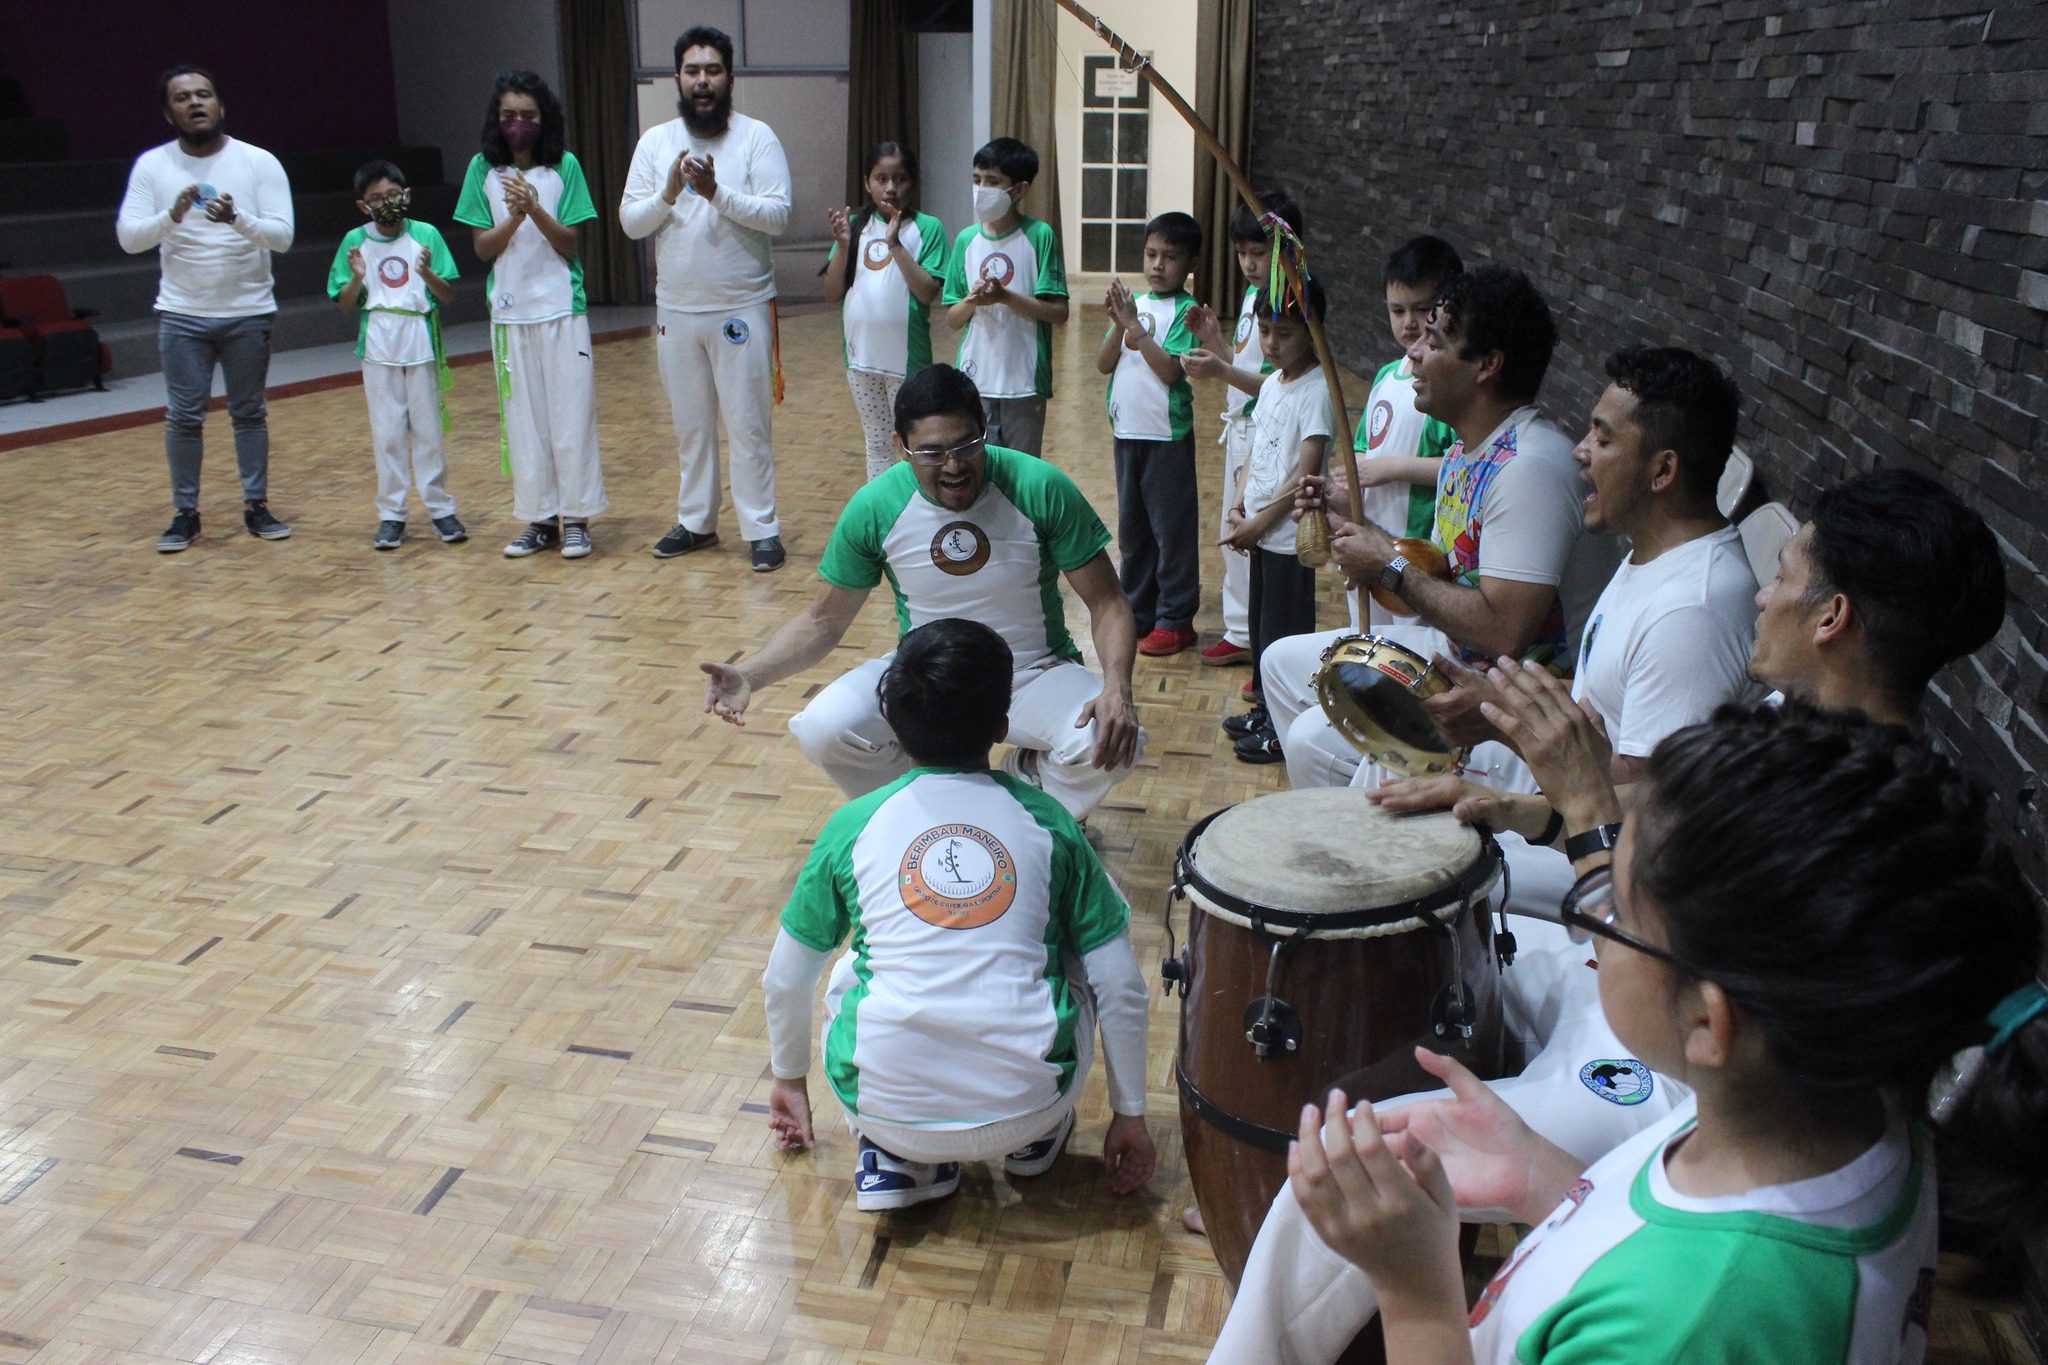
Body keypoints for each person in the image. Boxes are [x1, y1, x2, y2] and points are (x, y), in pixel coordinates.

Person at [1206, 463, 2011, 1365]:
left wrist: (1420, 1290)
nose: (1760, 593)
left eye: (1782, 572)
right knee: (1440, 929)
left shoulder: (1701, 1312)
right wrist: (1547, 1180)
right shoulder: (1815, 1126)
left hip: (1644, 1072)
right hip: (1668, 1070)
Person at [1282, 705, 2048, 1363]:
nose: (1595, 928)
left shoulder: (1685, 1325)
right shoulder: (1843, 1104)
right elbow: (1670, 1234)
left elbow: (1686, 1297)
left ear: (1708, 1022)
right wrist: (1542, 1176)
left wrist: (1415, 1293)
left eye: (1611, 907)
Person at [760, 617, 1155, 1211]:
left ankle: (896, 1159)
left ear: (891, 720)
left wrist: (789, 1080)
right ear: (1002, 726)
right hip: (1030, 1104)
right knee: (1079, 941)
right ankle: (1039, 1139)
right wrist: (1131, 1116)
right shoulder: (1052, 824)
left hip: (886, 1112)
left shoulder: (851, 825)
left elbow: (786, 978)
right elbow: (1122, 986)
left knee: (847, 971)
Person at [1371, 345, 1762, 924]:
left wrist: (1508, 735)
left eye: (1602, 440)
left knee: (1401, 864)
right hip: (1574, 800)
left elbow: (1642, 812)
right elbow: (1602, 715)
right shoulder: (1652, 557)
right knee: (1383, 777)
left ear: (1663, 471)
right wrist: (1506, 708)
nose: (1580, 453)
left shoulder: (1690, 614)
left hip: (1620, 869)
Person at [699, 364, 1142, 821]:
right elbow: (824, 622)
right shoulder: (875, 506)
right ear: (901, 448)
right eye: (931, 452)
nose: (952, 466)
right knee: (823, 729)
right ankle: (918, 816)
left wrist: (1117, 687)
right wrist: (749, 675)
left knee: (1113, 740)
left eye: (965, 446)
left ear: (984, 430)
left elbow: (1107, 603)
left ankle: (1023, 790)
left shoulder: (1040, 487)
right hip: (925, 676)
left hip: (1032, 670)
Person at [1253, 265, 1620, 781]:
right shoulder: (1464, 450)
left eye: (1435, 340)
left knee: (1314, 740)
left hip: (1511, 701)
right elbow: (1444, 579)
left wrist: (1388, 564)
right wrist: (1362, 536)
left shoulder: (1529, 469)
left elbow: (1503, 632)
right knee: (1281, 663)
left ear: (1486, 365)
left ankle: (1389, 835)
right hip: (1456, 654)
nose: (1414, 353)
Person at [622, 25, 795, 572]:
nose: (702, 81)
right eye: (693, 71)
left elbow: (778, 215)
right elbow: (630, 222)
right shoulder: (655, 143)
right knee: (691, 428)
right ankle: (697, 523)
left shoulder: (756, 138)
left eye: (713, 70)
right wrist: (671, 191)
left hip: (741, 307)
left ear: (729, 77)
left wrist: (716, 193)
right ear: (677, 77)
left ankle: (761, 528)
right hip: (676, 311)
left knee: (748, 426)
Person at [117, 64, 294, 552]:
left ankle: (256, 505)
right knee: (184, 416)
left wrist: (237, 219)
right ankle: (185, 513)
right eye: (182, 97)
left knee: (249, 413)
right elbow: (129, 238)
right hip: (182, 314)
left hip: (247, 310)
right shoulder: (153, 166)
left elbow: (283, 237)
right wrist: (170, 216)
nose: (195, 103)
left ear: (220, 105)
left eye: (204, 94)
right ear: (168, 112)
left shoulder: (259, 162)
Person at [454, 69, 606, 561]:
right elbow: (481, 249)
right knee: (525, 422)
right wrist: (514, 216)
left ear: (545, 118)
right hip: (510, 314)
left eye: (528, 115)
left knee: (571, 417)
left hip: (563, 309)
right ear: (497, 120)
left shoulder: (565, 166)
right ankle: (540, 519)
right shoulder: (482, 169)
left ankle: (578, 518)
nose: (518, 124)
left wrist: (536, 209)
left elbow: (570, 243)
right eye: (509, 115)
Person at [1181, 189, 1306, 670]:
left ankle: (1264, 641)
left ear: (1286, 249)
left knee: (1261, 535)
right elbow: (1248, 367)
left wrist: (1221, 372)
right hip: (1241, 432)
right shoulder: (1257, 297)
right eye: (1241, 253)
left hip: (1269, 437)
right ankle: (1240, 629)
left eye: (1259, 252)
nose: (1249, 264)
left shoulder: (1294, 303)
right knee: (1233, 530)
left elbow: (1276, 384)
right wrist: (1216, 342)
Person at [1219, 278, 1332, 762]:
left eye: (1283, 333)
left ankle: (1285, 728)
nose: (1270, 342)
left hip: (1287, 537)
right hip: (1260, 530)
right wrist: (1239, 505)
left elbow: (1306, 472)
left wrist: (1262, 522)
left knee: (1285, 636)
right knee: (1263, 631)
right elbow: (1254, 452)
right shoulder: (1270, 384)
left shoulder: (1317, 390)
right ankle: (1266, 710)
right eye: (1265, 330)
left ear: (1311, 332)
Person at [327, 159, 463, 551]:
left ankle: (440, 509)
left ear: (407, 195)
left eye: (393, 195)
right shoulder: (355, 241)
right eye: (376, 199)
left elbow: (448, 295)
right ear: (362, 206)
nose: (387, 203)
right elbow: (346, 304)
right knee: (387, 433)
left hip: (420, 341)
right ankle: (392, 514)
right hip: (379, 344)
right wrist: (355, 277)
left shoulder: (426, 234)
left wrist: (426, 275)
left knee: (428, 432)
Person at [1095, 210, 1203, 657]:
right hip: (1128, 434)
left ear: (1189, 265)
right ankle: (1138, 609)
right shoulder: (1132, 306)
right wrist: (1120, 324)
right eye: (1152, 253)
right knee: (1133, 532)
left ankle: (1176, 619)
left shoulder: (1184, 310)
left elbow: (1169, 373)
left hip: (1166, 438)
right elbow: (1104, 363)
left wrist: (1135, 326)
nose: (1158, 264)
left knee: (1171, 533)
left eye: (1171, 257)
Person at [1352, 236, 1463, 625]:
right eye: (1397, 310)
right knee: (1363, 638)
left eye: (1422, 309)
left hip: (1415, 553)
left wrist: (1391, 469)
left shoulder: (1445, 392)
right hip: (1370, 536)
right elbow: (1364, 446)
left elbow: (1458, 469)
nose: (1409, 323)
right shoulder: (1385, 376)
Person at [822, 141, 947, 481]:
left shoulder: (928, 228)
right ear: (867, 183)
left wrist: (895, 244)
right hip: (860, 357)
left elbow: (927, 293)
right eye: (881, 178)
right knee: (877, 442)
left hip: (907, 360)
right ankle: (884, 520)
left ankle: (915, 514)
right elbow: (833, 291)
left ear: (913, 182)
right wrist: (844, 245)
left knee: (911, 443)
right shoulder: (854, 227)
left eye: (900, 178)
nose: (891, 187)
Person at [941, 138, 1069, 457]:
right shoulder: (966, 241)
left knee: (1021, 472)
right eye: (977, 180)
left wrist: (1004, 297)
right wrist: (972, 301)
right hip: (975, 379)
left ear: (1020, 190)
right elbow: (952, 319)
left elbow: (1058, 312)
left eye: (993, 182)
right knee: (979, 469)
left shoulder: (1039, 236)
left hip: (1024, 382)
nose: (982, 189)